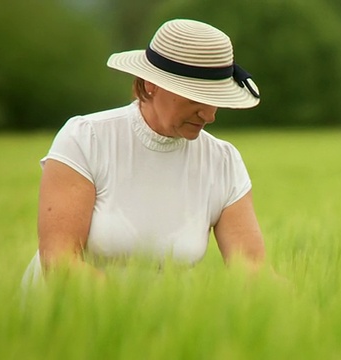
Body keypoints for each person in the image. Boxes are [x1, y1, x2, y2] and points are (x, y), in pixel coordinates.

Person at [22, 19, 265, 286]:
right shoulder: (86, 138)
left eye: (215, 100)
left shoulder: (222, 162)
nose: (209, 115)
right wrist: (130, 313)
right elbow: (59, 260)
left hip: (157, 323)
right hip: (63, 317)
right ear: (151, 83)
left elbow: (251, 270)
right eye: (195, 98)